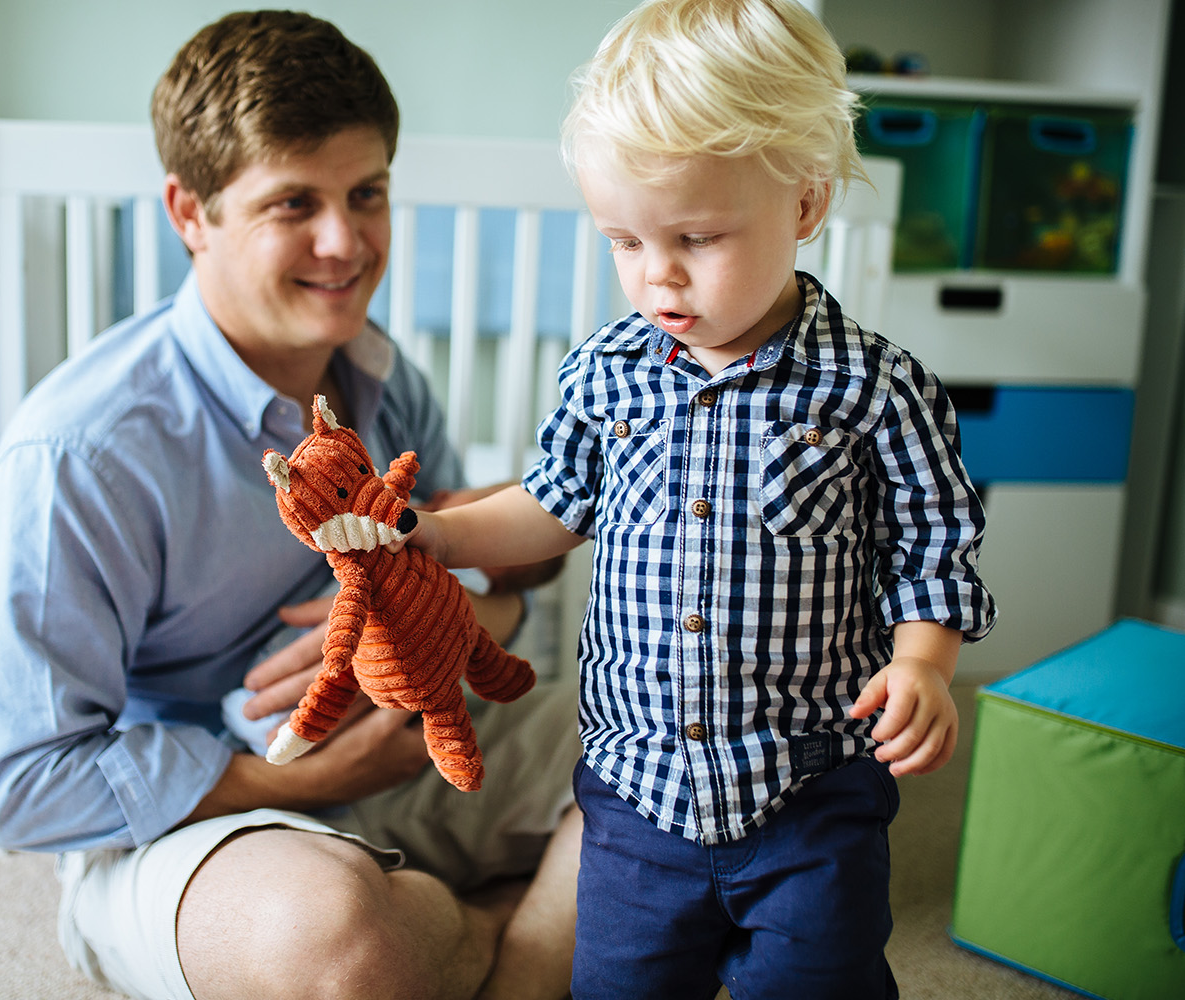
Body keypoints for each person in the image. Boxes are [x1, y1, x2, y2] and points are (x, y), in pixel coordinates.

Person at [0, 11, 581, 1000]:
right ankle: (487, 922)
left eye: (366, 193)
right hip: (204, 817)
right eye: (294, 202)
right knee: (330, 943)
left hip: (420, 739)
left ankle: (519, 957)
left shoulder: (382, 377)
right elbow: (23, 787)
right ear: (189, 212)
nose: (345, 244)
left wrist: (460, 619)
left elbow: (472, 577)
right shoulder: (82, 449)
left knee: (692, 757)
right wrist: (308, 783)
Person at [389, 1, 997, 996]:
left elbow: (932, 546)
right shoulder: (605, 372)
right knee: (622, 979)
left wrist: (924, 660)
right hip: (636, 792)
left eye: (697, 236)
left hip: (808, 786)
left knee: (817, 978)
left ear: (803, 204)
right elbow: (550, 503)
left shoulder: (874, 389)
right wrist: (442, 532)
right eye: (624, 241)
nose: (657, 274)